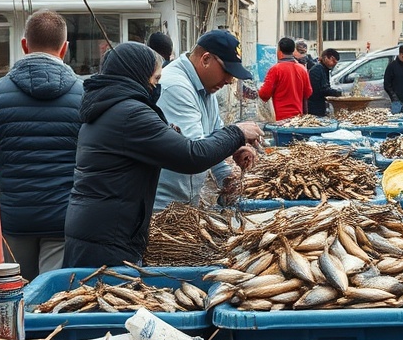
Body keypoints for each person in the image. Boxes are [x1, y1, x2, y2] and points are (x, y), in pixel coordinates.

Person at [63, 42, 263, 268]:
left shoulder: (113, 108)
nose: (157, 86)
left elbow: (168, 144)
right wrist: (236, 132)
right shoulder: (130, 113)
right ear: (137, 75)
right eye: (156, 79)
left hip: (103, 230)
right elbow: (192, 156)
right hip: (107, 238)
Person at [0, 11, 83, 279]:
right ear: (65, 48)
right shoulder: (85, 94)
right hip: (65, 215)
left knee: (16, 294)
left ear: (25, 45)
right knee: (53, 298)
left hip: (12, 217)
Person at [153, 30, 258, 211]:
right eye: (226, 71)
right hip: (161, 207)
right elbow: (197, 153)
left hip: (183, 205)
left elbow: (211, 140)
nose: (229, 80)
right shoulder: (176, 86)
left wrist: (227, 176)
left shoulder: (206, 89)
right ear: (206, 59)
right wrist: (236, 133)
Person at [258, 37, 312, 121]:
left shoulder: (275, 70)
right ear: (293, 50)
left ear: (279, 50)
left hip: (280, 119)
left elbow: (264, 94)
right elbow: (308, 93)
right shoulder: (302, 69)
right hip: (298, 118)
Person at [307, 48, 342, 116]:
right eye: (332, 60)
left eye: (336, 62)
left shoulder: (324, 69)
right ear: (325, 58)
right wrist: (336, 93)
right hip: (314, 106)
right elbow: (322, 89)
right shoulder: (317, 69)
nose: (334, 64)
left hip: (320, 105)